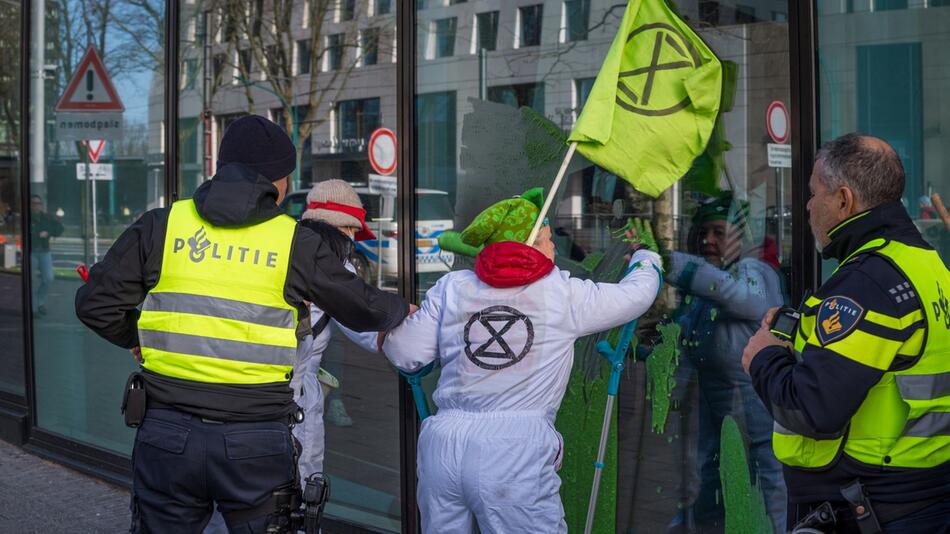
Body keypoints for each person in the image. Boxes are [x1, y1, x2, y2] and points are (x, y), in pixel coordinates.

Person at [75, 115, 410, 533]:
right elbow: (366, 308)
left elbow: (96, 305)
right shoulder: (293, 242)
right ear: (280, 181)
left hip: (166, 433)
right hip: (254, 442)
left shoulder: (161, 226)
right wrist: (405, 310)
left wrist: (138, 338)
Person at [382, 188, 663, 533]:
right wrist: (646, 259)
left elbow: (407, 353)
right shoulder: (562, 292)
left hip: (443, 448)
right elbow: (635, 296)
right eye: (546, 239)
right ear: (527, 245)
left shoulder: (452, 286)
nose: (554, 248)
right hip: (513, 453)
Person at [742, 133, 950, 533]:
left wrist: (764, 357)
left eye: (813, 192)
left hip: (867, 509)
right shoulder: (927, 264)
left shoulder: (867, 281)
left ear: (843, 199)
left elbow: (812, 409)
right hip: (920, 496)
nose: (807, 205)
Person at [666, 193, 787, 533]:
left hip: (755, 396)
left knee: (765, 472)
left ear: (740, 237)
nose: (708, 240)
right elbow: (689, 335)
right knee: (711, 470)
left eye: (718, 232)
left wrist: (671, 263)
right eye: (704, 232)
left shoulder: (753, 272)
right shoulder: (715, 282)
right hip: (714, 398)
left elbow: (742, 301)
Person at [31, 194, 63, 316]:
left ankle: (40, 302)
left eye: (38, 203)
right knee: (31, 281)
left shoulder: (46, 217)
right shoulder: (27, 218)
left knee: (48, 278)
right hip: (31, 252)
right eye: (33, 203)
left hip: (44, 251)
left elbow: (59, 229)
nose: (36, 206)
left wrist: (48, 233)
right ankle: (34, 307)